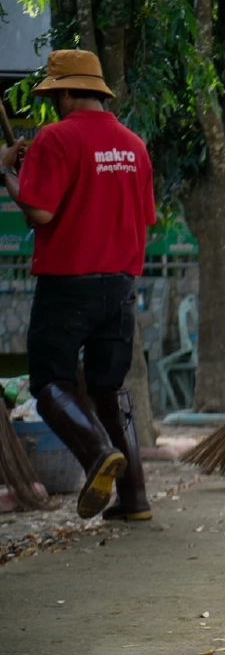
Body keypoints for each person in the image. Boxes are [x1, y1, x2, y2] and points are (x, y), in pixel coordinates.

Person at [0, 49, 156, 521]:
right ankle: (135, 499)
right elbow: (144, 216)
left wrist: (8, 172)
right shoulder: (134, 144)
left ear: (66, 92)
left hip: (68, 285)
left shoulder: (55, 138)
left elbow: (40, 212)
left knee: (51, 381)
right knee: (109, 388)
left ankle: (95, 456)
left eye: (54, 95)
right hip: (123, 287)